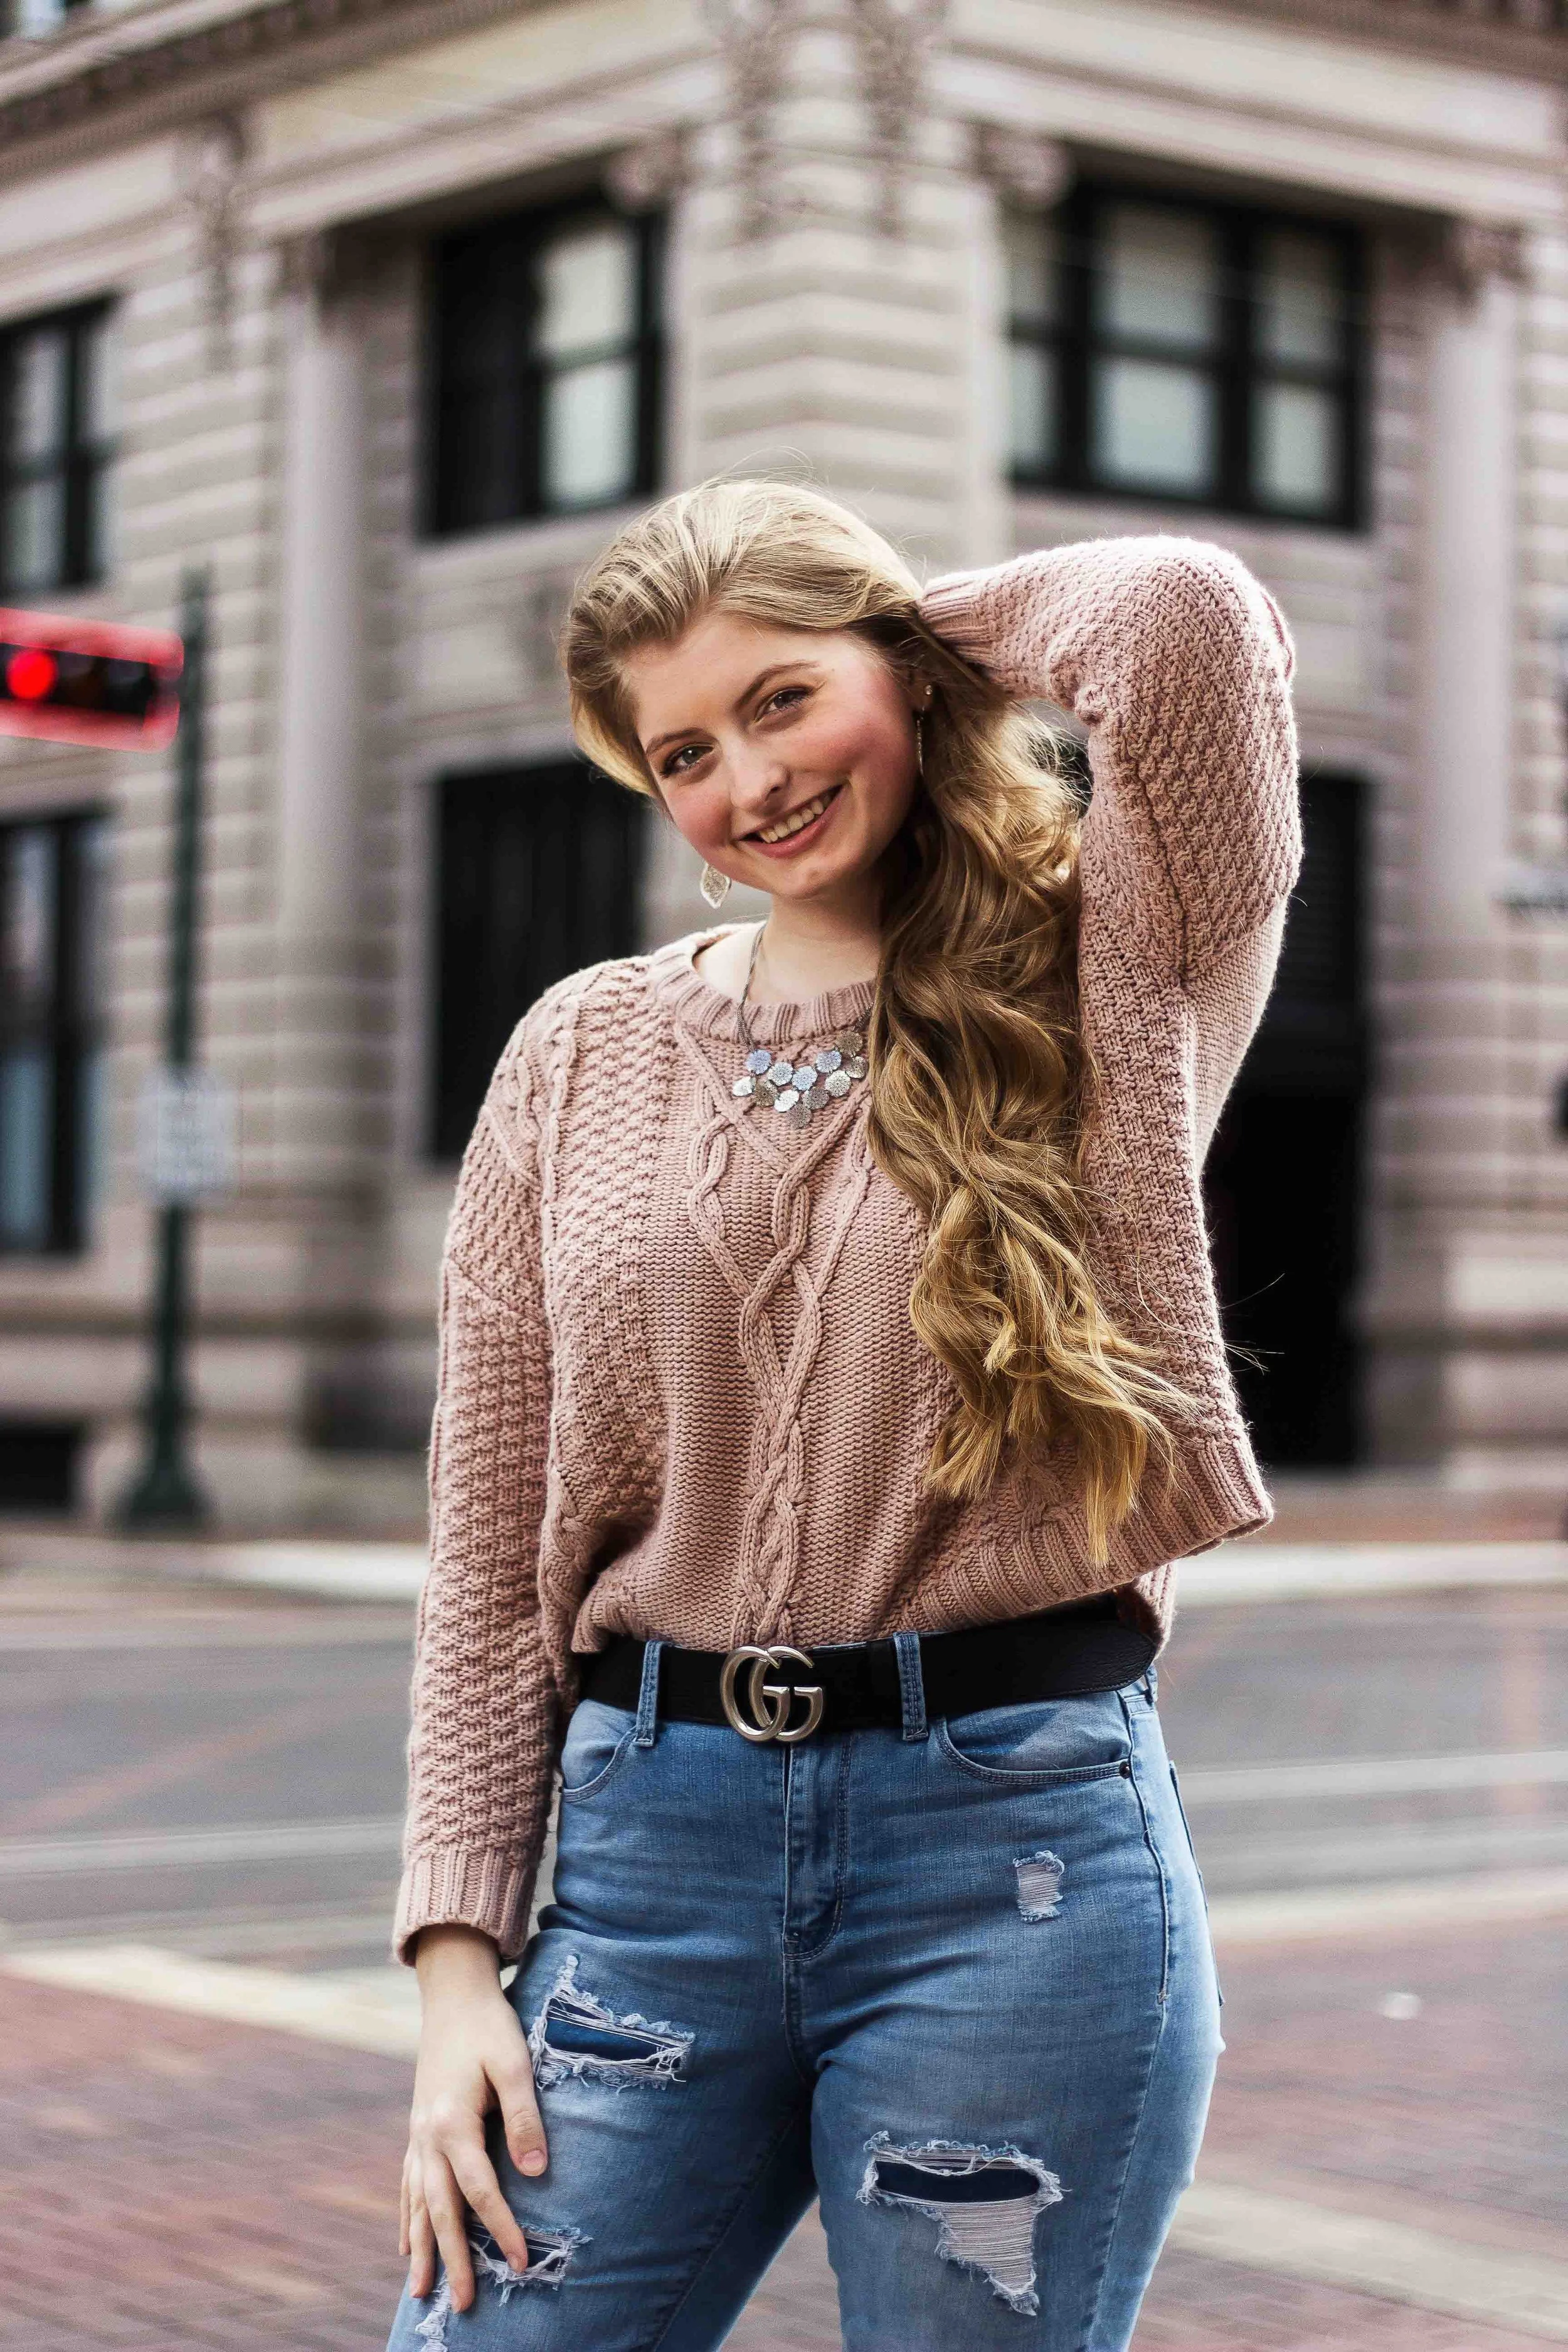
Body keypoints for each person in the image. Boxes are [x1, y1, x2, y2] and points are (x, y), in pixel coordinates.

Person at [385, 478, 1300, 2352]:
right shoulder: (579, 1048)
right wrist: (459, 1973)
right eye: (684, 752)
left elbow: (1182, 613)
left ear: (897, 666)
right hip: (648, 1865)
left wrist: (897, 623)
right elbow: (490, 1544)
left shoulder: (1114, 962)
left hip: (1018, 1870)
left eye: (783, 698)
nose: (749, 780)